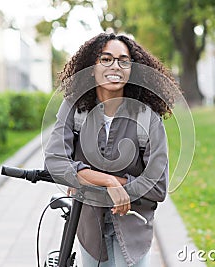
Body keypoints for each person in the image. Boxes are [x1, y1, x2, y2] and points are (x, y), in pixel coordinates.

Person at [44, 32, 180, 266]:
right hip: (88, 226)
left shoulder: (147, 116)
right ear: (91, 66)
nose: (114, 66)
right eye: (105, 59)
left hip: (133, 227)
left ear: (132, 68)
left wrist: (84, 179)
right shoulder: (74, 108)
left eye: (123, 60)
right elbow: (55, 162)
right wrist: (111, 183)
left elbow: (158, 186)